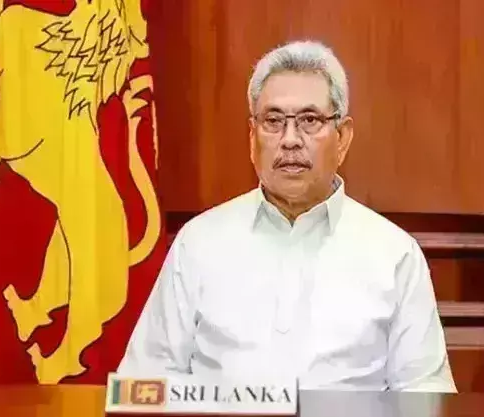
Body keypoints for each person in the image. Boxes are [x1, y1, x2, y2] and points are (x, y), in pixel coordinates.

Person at [118, 40, 456, 393]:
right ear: (252, 137)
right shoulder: (199, 243)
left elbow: (426, 396)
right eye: (273, 121)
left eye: (309, 120)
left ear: (342, 137)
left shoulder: (395, 254)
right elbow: (141, 384)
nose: (290, 140)